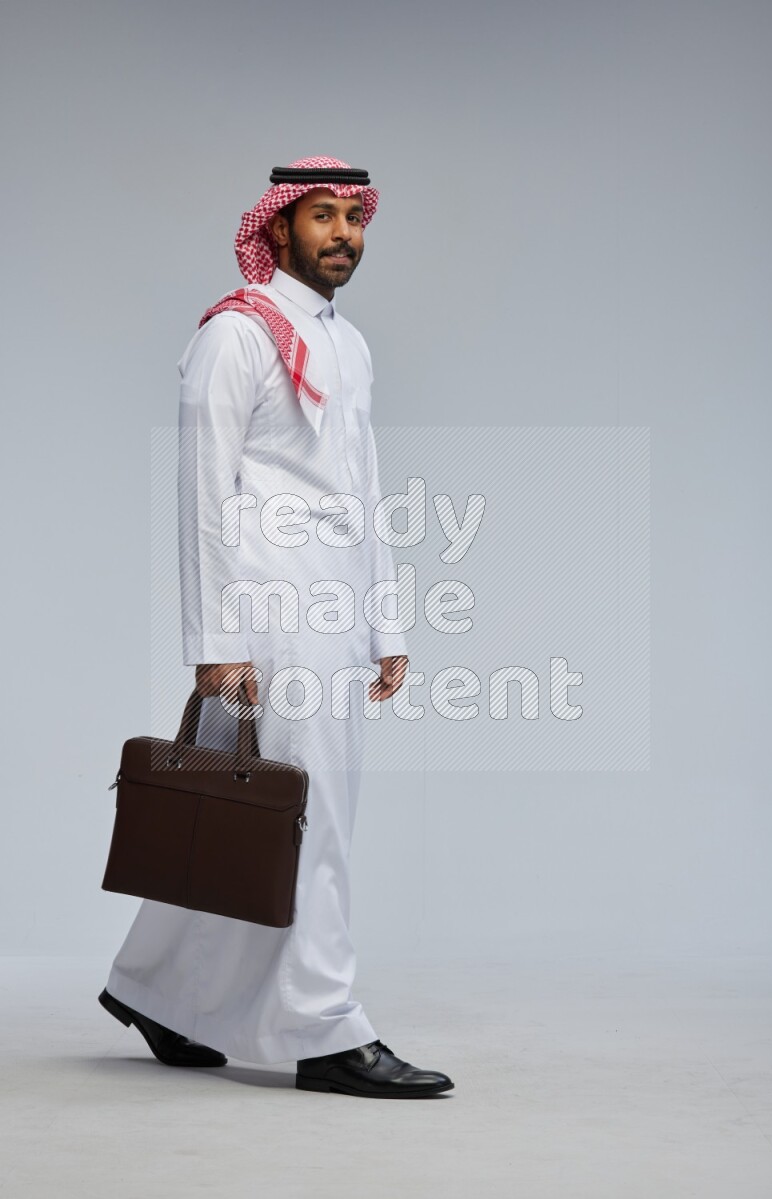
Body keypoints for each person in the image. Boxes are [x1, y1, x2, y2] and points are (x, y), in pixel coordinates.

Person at [98, 155, 454, 1099]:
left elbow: (365, 492)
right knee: (310, 818)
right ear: (281, 226)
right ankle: (326, 1029)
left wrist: (385, 620)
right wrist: (215, 642)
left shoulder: (350, 343)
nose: (344, 234)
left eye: (355, 218)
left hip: (333, 607)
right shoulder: (236, 334)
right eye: (324, 216)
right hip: (266, 611)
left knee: (239, 810)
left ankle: (154, 988)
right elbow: (204, 496)